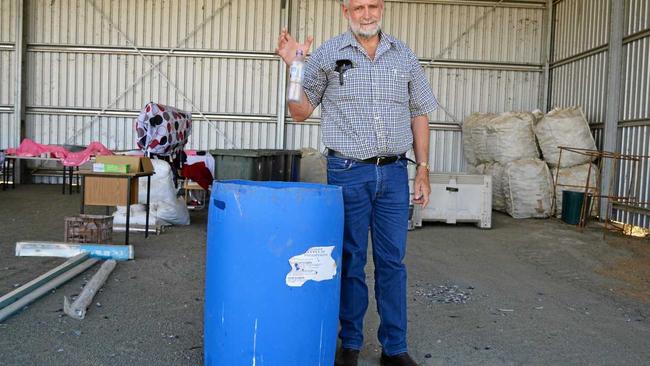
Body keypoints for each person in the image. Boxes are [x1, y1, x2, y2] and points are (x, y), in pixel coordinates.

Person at [276, 0, 437, 365]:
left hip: (395, 173)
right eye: (358, 7)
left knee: (392, 262)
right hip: (348, 172)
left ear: (383, 7)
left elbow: (419, 113)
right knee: (350, 260)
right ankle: (350, 344)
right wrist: (295, 66)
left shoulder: (404, 55)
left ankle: (394, 349)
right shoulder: (328, 54)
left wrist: (423, 168)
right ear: (345, 11)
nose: (367, 14)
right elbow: (299, 113)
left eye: (373, 5)